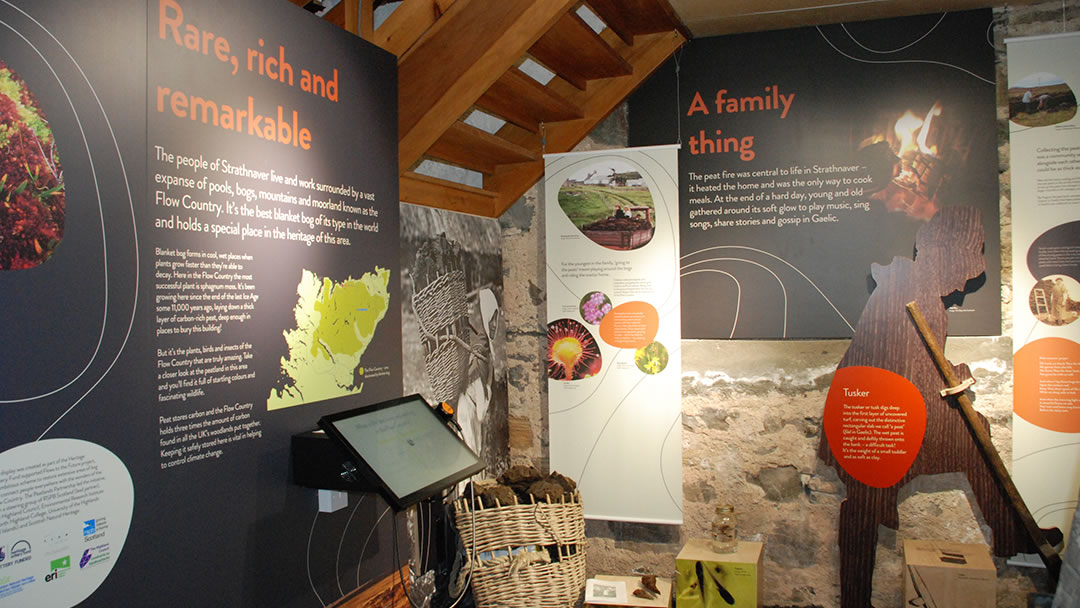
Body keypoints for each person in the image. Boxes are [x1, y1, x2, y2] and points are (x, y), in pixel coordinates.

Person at [818, 207, 1038, 607]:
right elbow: (892, 365)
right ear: (942, 256)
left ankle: (1010, 531)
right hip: (873, 420)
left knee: (973, 432)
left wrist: (953, 374)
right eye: (962, 267)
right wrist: (943, 383)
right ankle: (854, 598)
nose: (961, 283)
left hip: (897, 412)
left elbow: (922, 360)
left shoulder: (926, 297)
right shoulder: (905, 291)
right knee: (865, 505)